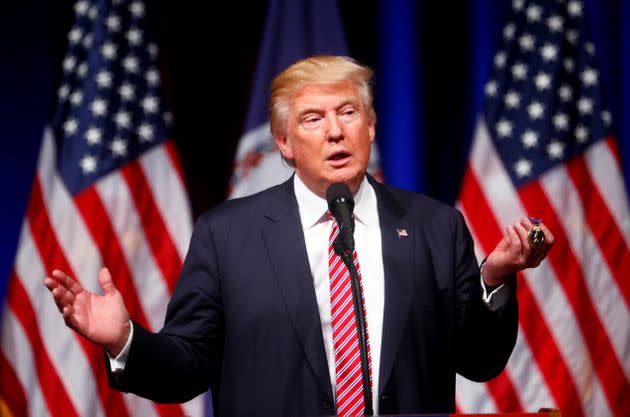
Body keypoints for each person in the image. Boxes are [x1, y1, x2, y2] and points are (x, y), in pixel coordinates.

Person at [45, 55, 553, 417]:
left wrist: (496, 277)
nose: (335, 131)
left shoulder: (434, 226)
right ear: (284, 143)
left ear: (371, 126)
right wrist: (126, 340)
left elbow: (478, 361)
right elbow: (189, 367)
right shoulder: (227, 236)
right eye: (313, 119)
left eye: (348, 112)